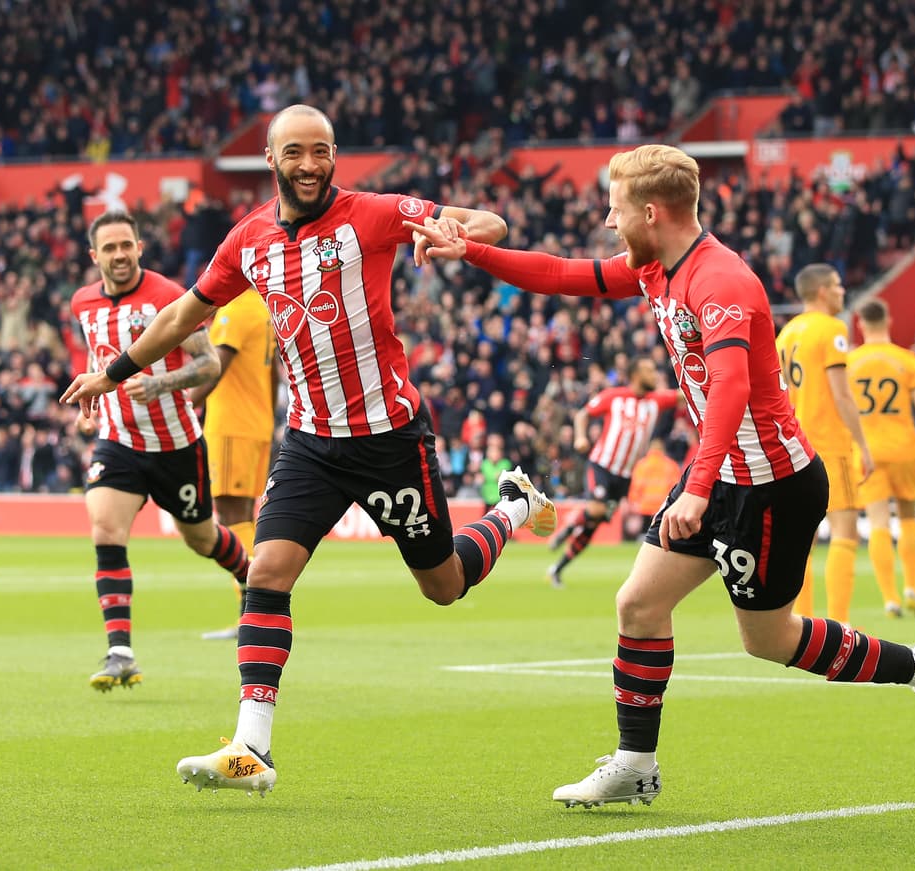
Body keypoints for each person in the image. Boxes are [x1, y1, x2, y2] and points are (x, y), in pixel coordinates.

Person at [408, 143, 915, 810]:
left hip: (769, 486)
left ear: (652, 212)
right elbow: (563, 274)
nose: (609, 222)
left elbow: (731, 388)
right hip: (720, 469)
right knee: (638, 604)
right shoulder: (656, 267)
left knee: (769, 640)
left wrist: (700, 487)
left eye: (616, 210)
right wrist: (468, 252)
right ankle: (635, 764)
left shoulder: (721, 280)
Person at [61, 104, 557, 796]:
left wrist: (454, 234)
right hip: (312, 442)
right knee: (266, 570)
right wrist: (112, 372)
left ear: (334, 156)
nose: (309, 164)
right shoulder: (249, 239)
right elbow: (182, 315)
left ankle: (511, 506)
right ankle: (250, 746)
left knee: (443, 584)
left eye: (321, 151)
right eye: (294, 152)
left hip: (389, 436)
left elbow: (489, 222)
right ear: (271, 159)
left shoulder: (374, 213)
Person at [72, 211, 253, 693]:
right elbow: (99, 359)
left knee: (201, 539)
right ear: (95, 256)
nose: (119, 254)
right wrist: (90, 403)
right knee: (105, 527)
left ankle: (252, 579)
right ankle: (120, 652)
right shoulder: (82, 303)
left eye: (126, 245)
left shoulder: (169, 296)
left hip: (176, 444)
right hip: (117, 441)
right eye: (109, 248)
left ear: (139, 247)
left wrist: (161, 384)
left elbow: (209, 364)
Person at [775, 263, 874, 625]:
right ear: (821, 292)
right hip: (830, 444)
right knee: (845, 532)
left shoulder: (785, 334)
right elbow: (841, 394)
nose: (842, 291)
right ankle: (840, 624)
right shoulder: (832, 329)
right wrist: (863, 445)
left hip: (796, 447)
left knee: (803, 539)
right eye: (836, 285)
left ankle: (801, 622)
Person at [189, 287, 279, 640]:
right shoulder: (262, 308)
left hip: (231, 425)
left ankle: (252, 609)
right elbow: (273, 377)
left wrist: (181, 406)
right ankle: (259, 607)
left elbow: (214, 368)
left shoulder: (235, 310)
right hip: (256, 424)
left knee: (230, 518)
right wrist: (270, 423)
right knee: (245, 518)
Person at [848, 298, 915, 617]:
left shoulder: (849, 362)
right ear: (888, 321)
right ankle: (912, 588)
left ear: (860, 323)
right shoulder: (908, 360)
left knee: (878, 523)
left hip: (867, 451)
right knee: (908, 517)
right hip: (904, 448)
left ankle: (890, 599)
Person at [548, 357, 678, 588]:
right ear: (636, 374)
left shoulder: (656, 400)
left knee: (593, 526)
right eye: (649, 369)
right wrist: (580, 437)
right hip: (602, 467)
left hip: (625, 477)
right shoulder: (614, 396)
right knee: (596, 510)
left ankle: (558, 568)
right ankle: (568, 527)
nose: (655, 374)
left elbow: (684, 394)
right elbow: (582, 415)